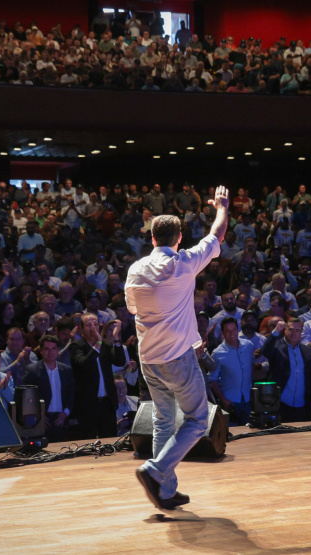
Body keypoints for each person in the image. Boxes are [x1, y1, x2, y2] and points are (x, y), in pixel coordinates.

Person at [126, 185, 229, 512]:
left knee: (163, 420)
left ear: (152, 238)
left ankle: (165, 490)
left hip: (148, 360)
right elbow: (218, 235)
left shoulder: (135, 270)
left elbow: (132, 310)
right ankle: (156, 471)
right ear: (178, 238)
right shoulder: (183, 264)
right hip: (177, 358)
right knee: (198, 420)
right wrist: (222, 207)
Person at [24, 335, 75, 443]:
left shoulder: (66, 370)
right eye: (46, 349)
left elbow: (71, 394)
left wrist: (65, 413)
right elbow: (27, 397)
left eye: (53, 348)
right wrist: (38, 416)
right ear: (41, 351)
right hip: (42, 419)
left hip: (61, 419)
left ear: (58, 350)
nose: (50, 352)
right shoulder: (32, 370)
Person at [263, 319, 311, 422]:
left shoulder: (307, 351)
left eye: (297, 330)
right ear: (285, 330)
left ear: (301, 332)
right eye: (291, 329)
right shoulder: (276, 346)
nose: (294, 333)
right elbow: (266, 351)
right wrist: (275, 331)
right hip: (281, 402)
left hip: (302, 403)